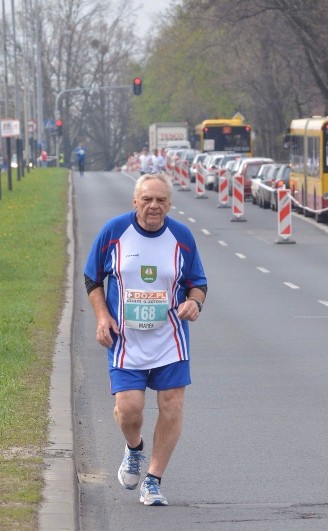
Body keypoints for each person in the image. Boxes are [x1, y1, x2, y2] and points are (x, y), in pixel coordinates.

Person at [84, 173, 208, 506]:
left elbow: (198, 282)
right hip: (126, 340)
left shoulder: (181, 237)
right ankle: (134, 448)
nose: (154, 206)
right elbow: (92, 277)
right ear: (135, 201)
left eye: (161, 200)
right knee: (129, 410)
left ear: (169, 204)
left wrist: (194, 302)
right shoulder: (114, 232)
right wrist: (102, 317)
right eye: (147, 199)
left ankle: (153, 480)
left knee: (172, 406)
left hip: (170, 339)